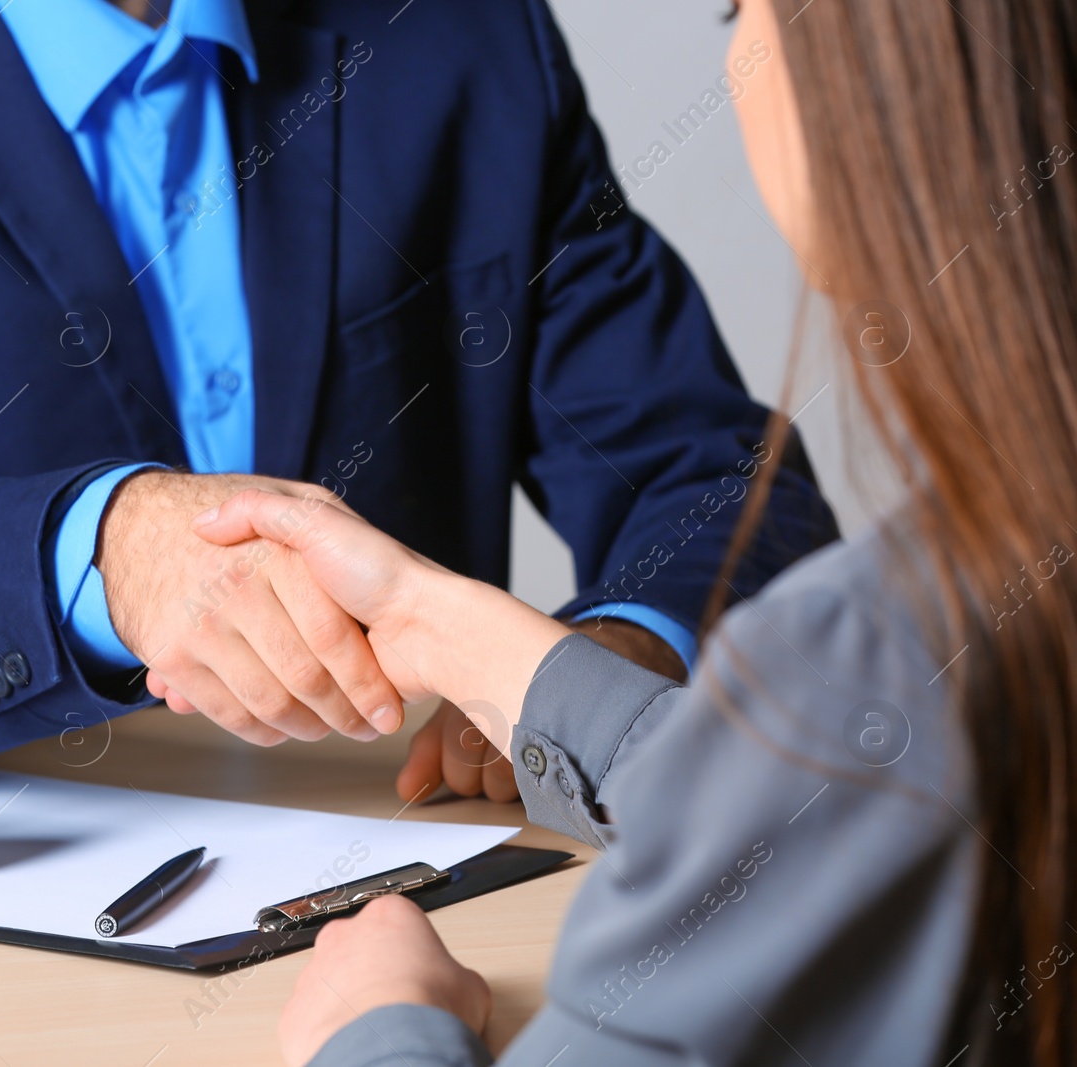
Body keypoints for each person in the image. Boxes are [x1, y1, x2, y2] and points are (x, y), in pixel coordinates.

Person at [0, 0, 834, 780]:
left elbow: (718, 477)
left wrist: (604, 670)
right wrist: (105, 553)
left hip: (413, 910)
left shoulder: (460, 33)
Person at [190, 0, 1077, 1063]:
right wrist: (462, 634)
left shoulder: (874, 659)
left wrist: (375, 1022)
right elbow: (837, 784)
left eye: (735, 11)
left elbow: (844, 740)